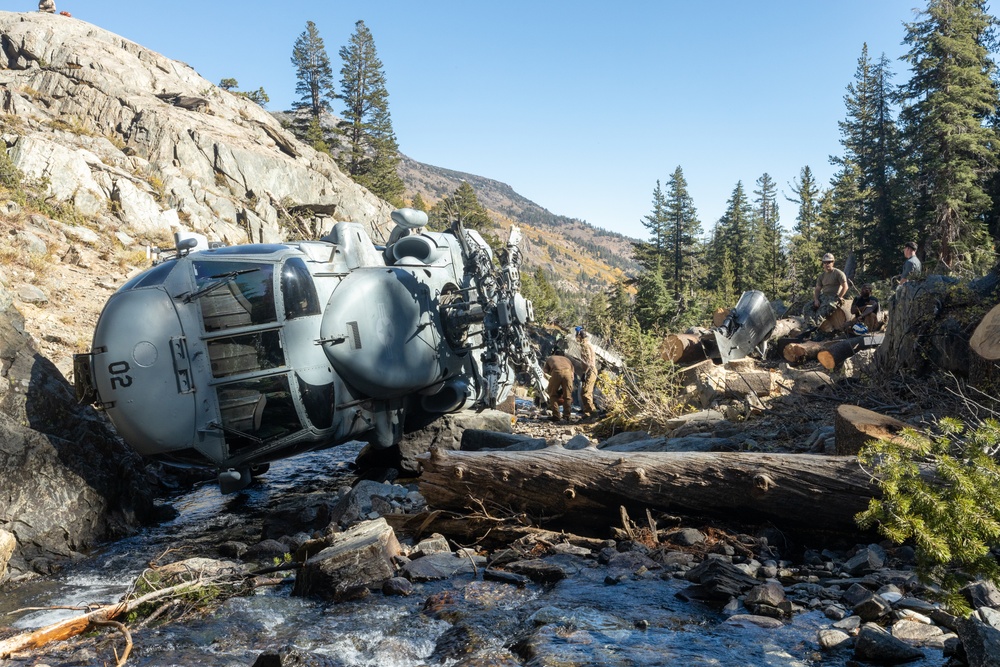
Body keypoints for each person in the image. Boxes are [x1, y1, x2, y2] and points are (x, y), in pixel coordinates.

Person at [805, 252, 848, 329]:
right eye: (825, 262)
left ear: (833, 262)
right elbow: (818, 289)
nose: (827, 264)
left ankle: (816, 330)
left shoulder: (838, 273)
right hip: (824, 296)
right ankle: (810, 327)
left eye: (829, 262)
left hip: (833, 297)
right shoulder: (822, 276)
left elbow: (845, 287)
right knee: (807, 307)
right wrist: (816, 300)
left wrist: (839, 297)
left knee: (820, 312)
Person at [542, 349, 575, 422]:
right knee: (568, 396)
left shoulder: (550, 358)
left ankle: (556, 416)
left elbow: (545, 372)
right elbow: (572, 376)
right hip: (568, 373)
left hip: (556, 372)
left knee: (552, 394)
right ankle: (567, 416)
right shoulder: (567, 360)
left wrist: (549, 382)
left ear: (554, 354)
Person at [575, 326, 597, 418]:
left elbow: (589, 361)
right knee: (584, 392)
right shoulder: (588, 344)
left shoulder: (585, 346)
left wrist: (585, 372)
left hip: (590, 370)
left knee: (586, 393)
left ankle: (592, 413)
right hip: (590, 370)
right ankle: (587, 412)